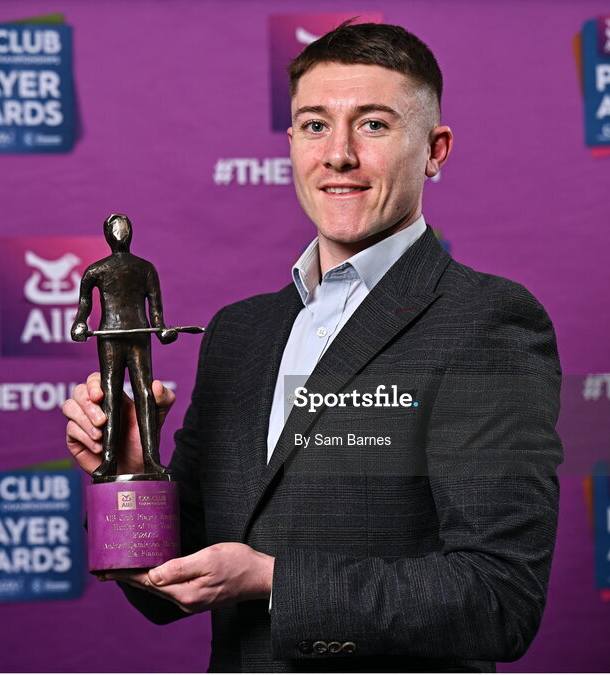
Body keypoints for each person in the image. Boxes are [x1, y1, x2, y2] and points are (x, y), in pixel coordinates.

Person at [63, 22, 562, 672]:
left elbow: (498, 600)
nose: (339, 154)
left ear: (435, 149)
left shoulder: (484, 320)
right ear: (292, 142)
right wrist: (129, 468)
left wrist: (271, 579)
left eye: (375, 125)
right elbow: (170, 585)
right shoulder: (240, 334)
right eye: (315, 125)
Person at [70, 213, 176, 480]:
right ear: (107, 235)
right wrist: (79, 325)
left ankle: (151, 459)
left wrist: (161, 328)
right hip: (110, 338)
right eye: (116, 229)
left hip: (140, 336)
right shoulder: (97, 270)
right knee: (110, 394)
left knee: (145, 394)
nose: (120, 234)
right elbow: (84, 306)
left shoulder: (145, 268)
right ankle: (109, 460)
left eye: (124, 228)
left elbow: (155, 307)